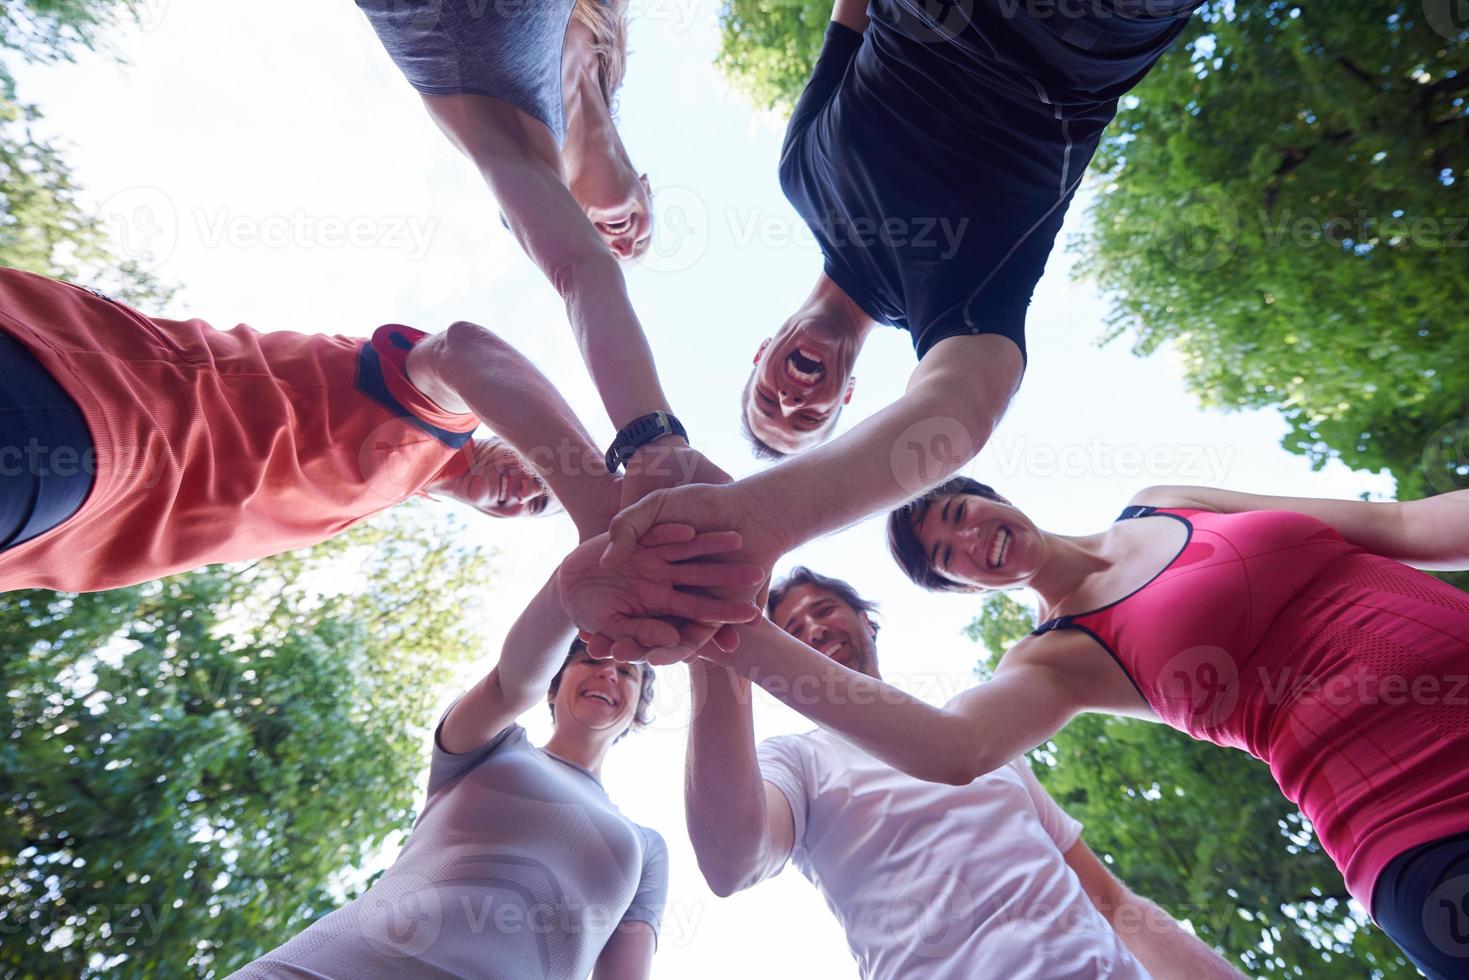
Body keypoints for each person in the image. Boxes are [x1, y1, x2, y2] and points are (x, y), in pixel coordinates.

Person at [586, 0, 1207, 655]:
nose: (792, 398)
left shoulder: (797, 177)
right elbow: (956, 414)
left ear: (762, 351)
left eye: (768, 399)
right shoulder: (954, 310)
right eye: (804, 418)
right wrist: (756, 520)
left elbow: (848, 25)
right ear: (845, 396)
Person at [703, 479, 1469, 977]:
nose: (971, 542)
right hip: (1413, 818)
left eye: (959, 515)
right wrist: (730, 631)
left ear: (990, 497)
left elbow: (1396, 522)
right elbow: (950, 747)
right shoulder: (1052, 659)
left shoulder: (1161, 501)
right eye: (948, 557)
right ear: (961, 586)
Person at [685, 566, 1243, 979]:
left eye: (824, 609)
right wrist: (720, 655)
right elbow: (734, 862)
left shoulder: (982, 744)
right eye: (789, 628)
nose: (812, 627)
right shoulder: (796, 759)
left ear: (868, 622)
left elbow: (1113, 902)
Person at [227, 541, 701, 978]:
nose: (609, 675)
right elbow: (508, 683)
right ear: (554, 685)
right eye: (592, 661)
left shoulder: (646, 847)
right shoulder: (495, 743)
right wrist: (578, 580)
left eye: (627, 672)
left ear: (638, 712)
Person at [0, 268, 563, 594]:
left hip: (60, 532)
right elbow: (464, 347)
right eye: (550, 475)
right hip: (94, 424)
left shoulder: (395, 488)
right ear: (519, 436)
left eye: (541, 507)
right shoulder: (445, 415)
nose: (532, 492)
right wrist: (595, 500)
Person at [356, 0, 717, 503]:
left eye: (609, 248)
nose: (620, 246)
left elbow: (582, 269)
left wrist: (655, 445)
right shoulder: (600, 32)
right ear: (647, 189)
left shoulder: (520, 150)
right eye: (638, 243)